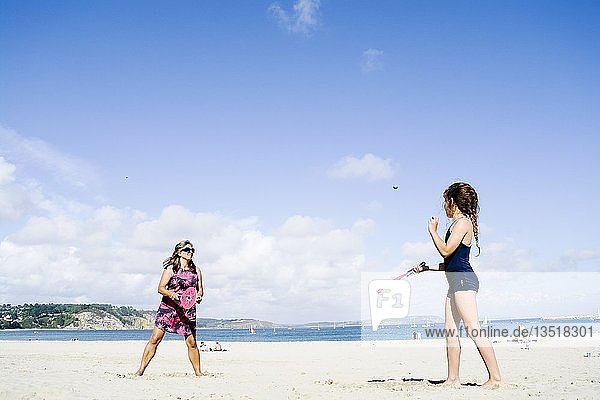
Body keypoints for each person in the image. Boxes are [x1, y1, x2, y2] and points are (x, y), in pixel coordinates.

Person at [414, 182, 501, 388]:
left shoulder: (463, 223)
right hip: (455, 281)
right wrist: (426, 268)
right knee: (450, 331)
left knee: (474, 329)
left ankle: (495, 378)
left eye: (445, 201)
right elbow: (450, 261)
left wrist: (432, 231)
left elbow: (445, 250)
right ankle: (453, 379)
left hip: (463, 281)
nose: (444, 206)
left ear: (452, 202)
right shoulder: (455, 225)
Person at [134, 240, 204, 376]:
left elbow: (200, 290)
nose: (190, 252)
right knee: (155, 339)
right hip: (168, 308)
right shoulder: (171, 268)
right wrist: (172, 294)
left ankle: (198, 373)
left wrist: (199, 297)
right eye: (187, 250)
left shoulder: (196, 271)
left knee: (192, 343)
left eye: (192, 250)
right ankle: (140, 370)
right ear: (179, 252)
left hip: (187, 311)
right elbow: (160, 288)